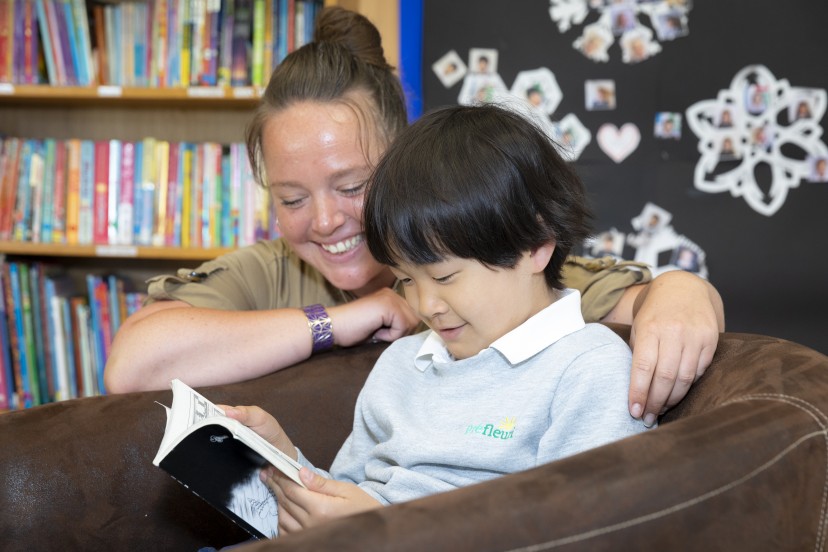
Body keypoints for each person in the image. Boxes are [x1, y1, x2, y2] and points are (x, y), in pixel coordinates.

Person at [104, 7, 724, 428]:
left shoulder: (483, 258)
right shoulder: (269, 272)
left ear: (401, 160)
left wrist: (682, 291)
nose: (324, 221)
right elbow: (133, 364)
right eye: (291, 199)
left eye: (352, 186)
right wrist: (342, 320)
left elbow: (643, 301)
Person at [224, 104, 651, 536]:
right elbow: (348, 496)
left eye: (445, 276)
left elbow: (584, 533)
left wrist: (386, 532)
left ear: (535, 246)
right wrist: (285, 464)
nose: (427, 305)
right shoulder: (402, 363)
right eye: (406, 279)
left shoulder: (588, 368)